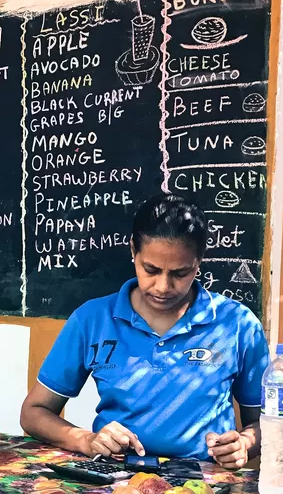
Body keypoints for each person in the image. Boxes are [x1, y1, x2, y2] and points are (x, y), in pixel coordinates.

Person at [20, 193, 270, 468]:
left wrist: (244, 444)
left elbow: (267, 423)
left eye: (180, 273)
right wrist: (86, 440)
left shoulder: (236, 324)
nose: (163, 286)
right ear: (132, 252)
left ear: (199, 262)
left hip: (204, 487)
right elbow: (33, 413)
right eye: (150, 269)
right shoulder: (92, 320)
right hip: (114, 481)